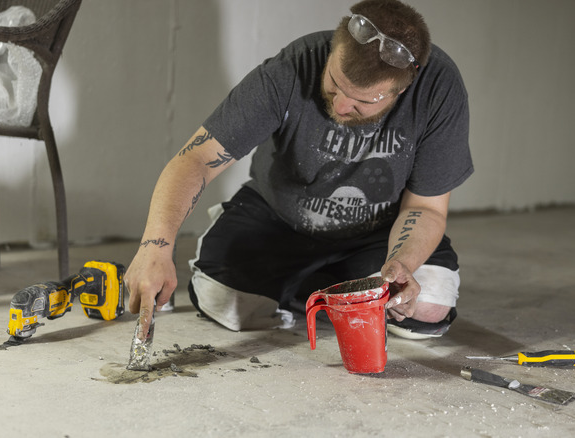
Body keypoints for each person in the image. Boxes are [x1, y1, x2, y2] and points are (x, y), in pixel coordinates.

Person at [125, 0, 473, 342]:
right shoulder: (292, 67)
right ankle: (328, 288)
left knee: (428, 307)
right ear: (332, 49)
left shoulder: (438, 87)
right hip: (279, 217)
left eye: (363, 100)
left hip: (380, 231)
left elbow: (425, 207)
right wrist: (155, 247)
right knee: (223, 303)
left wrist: (402, 264)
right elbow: (197, 157)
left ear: (403, 87)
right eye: (334, 83)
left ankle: (321, 286)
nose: (339, 105)